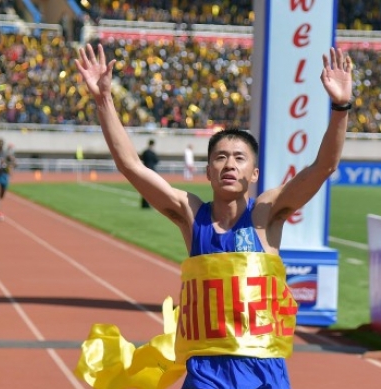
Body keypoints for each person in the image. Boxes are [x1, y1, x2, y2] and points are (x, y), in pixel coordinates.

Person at [74, 43, 352, 389]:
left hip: (263, 369)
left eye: (239, 158)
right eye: (220, 158)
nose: (229, 164)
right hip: (206, 371)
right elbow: (131, 166)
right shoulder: (192, 216)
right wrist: (103, 101)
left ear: (254, 173)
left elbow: (324, 166)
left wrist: (341, 107)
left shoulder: (266, 214)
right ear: (207, 171)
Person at [139, 139, 159, 208]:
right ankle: (148, 204)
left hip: (145, 170)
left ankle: (144, 204)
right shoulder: (152, 153)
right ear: (153, 145)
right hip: (152, 171)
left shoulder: (145, 152)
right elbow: (156, 161)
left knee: (144, 187)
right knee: (151, 188)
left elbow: (141, 158)